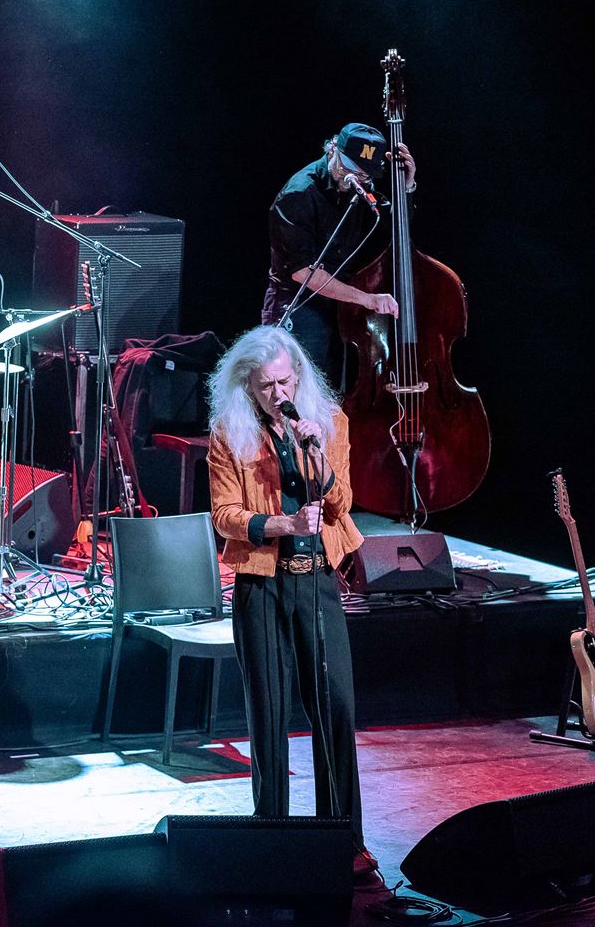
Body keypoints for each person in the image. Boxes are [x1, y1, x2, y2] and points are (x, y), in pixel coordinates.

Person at [205, 325, 375, 880]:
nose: (279, 394)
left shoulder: (330, 424)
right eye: (266, 386)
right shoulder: (229, 433)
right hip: (262, 584)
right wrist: (281, 524)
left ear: (298, 376)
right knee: (269, 714)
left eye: (285, 382)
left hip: (318, 581)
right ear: (248, 387)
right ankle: (271, 841)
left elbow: (341, 503)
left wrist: (317, 454)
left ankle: (345, 843)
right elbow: (225, 515)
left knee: (336, 709)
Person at [261, 122, 415, 388]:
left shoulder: (359, 188)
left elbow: (393, 225)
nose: (353, 179)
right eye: (347, 168)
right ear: (332, 149)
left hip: (339, 302)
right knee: (302, 390)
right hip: (299, 305)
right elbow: (303, 272)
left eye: (363, 175)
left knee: (333, 391)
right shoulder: (299, 194)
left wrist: (406, 186)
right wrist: (367, 299)